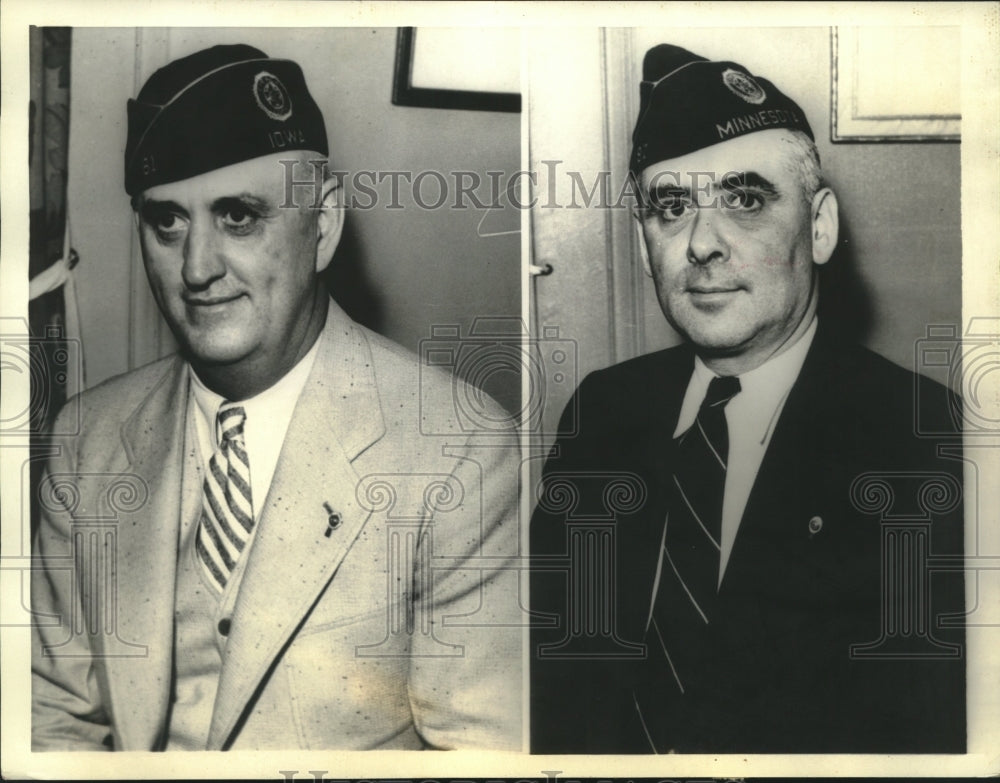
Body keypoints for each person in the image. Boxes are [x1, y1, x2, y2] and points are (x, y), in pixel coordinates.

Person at [31, 44, 521, 751]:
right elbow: (51, 718)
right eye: (167, 221)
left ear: (322, 225)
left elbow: (480, 757)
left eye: (238, 216)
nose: (196, 267)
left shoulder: (463, 450)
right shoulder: (87, 439)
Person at [530, 43, 965, 754]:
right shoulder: (604, 412)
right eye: (671, 208)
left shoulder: (927, 441)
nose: (702, 243)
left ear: (818, 227)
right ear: (646, 248)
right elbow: (551, 679)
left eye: (745, 199)